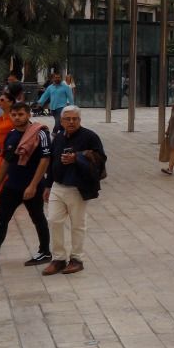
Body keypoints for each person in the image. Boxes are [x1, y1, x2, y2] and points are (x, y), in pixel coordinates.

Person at [0, 101, 54, 271]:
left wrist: (33, 185)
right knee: (0, 221)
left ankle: (45, 251)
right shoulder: (11, 134)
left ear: (28, 115)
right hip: (12, 185)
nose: (17, 117)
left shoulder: (40, 133)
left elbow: (45, 160)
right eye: (14, 114)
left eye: (21, 114)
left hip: (32, 185)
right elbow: (7, 160)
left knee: (38, 218)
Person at [42, 106, 105, 276]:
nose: (71, 122)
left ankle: (76, 258)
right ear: (61, 121)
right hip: (58, 185)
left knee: (78, 225)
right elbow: (51, 162)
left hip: (78, 188)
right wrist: (47, 185)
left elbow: (100, 160)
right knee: (54, 220)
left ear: (80, 120)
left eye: (75, 119)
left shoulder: (90, 137)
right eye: (67, 119)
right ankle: (59, 259)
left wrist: (77, 158)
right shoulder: (59, 138)